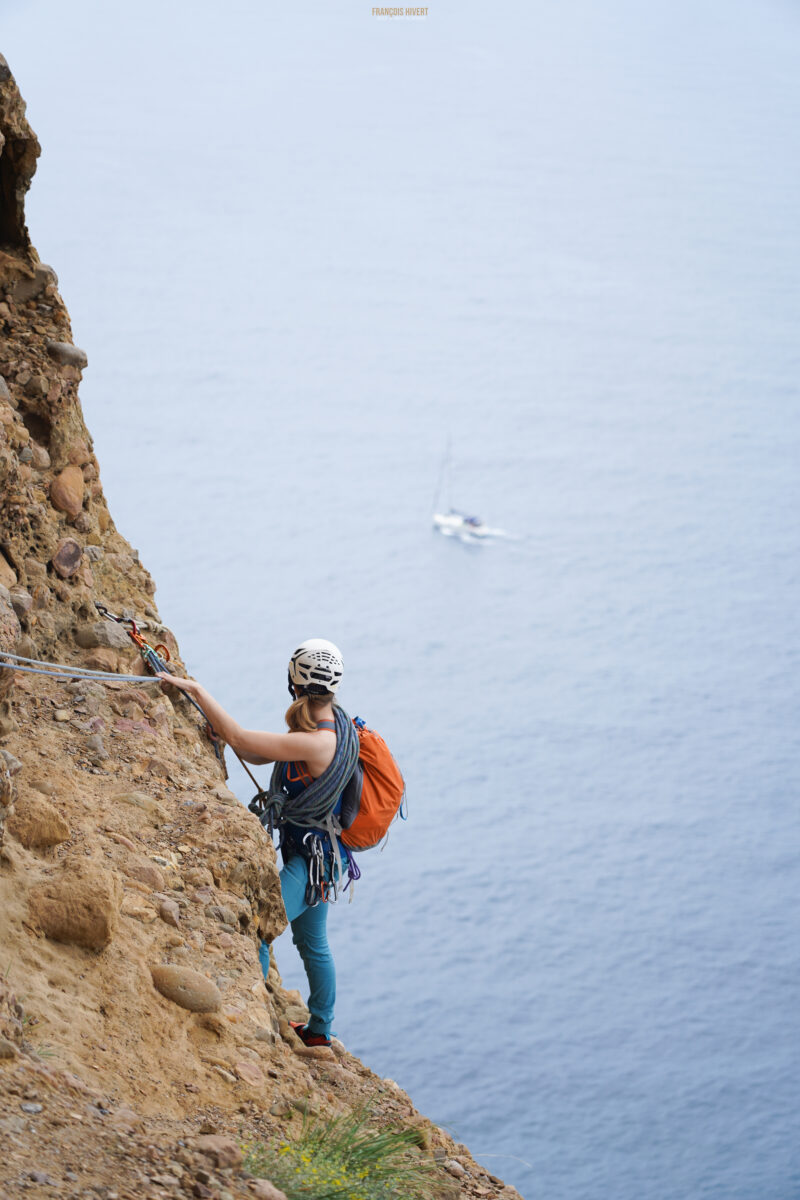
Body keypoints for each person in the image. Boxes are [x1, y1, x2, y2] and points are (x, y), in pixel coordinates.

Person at [158, 638, 355, 1049]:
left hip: (312, 862)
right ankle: (319, 1031)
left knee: (260, 931)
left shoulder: (319, 741)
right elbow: (270, 754)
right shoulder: (331, 722)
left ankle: (256, 1029)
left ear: (294, 679)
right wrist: (231, 740)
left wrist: (194, 691)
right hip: (323, 856)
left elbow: (242, 737)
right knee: (311, 941)